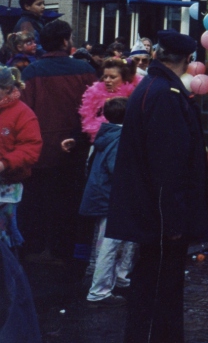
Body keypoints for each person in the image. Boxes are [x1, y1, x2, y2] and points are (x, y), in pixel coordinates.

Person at [108, 30, 208, 343]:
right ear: (188, 59)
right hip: (158, 214)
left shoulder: (152, 87)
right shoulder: (166, 94)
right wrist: (172, 219)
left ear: (156, 54)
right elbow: (168, 164)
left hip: (150, 209)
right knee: (160, 286)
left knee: (153, 282)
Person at [19, 20, 96, 260]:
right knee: (68, 204)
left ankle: (35, 249)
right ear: (65, 41)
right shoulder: (84, 69)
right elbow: (94, 110)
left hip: (39, 152)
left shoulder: (31, 72)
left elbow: (23, 112)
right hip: (74, 149)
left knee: (36, 203)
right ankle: (63, 253)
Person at [79, 97, 135, 306]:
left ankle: (113, 279)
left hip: (101, 195)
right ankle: (99, 290)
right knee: (110, 244)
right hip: (112, 197)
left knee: (105, 242)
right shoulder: (121, 138)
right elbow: (117, 169)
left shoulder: (105, 134)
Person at [0, 66, 42, 248]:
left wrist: (4, 164)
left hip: (8, 186)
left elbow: (30, 149)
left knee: (6, 240)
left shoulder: (23, 113)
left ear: (7, 89)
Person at [79, 58, 139, 143]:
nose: (107, 80)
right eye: (105, 76)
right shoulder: (94, 93)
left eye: (112, 77)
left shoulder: (133, 96)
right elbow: (85, 121)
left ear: (125, 78)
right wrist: (75, 139)